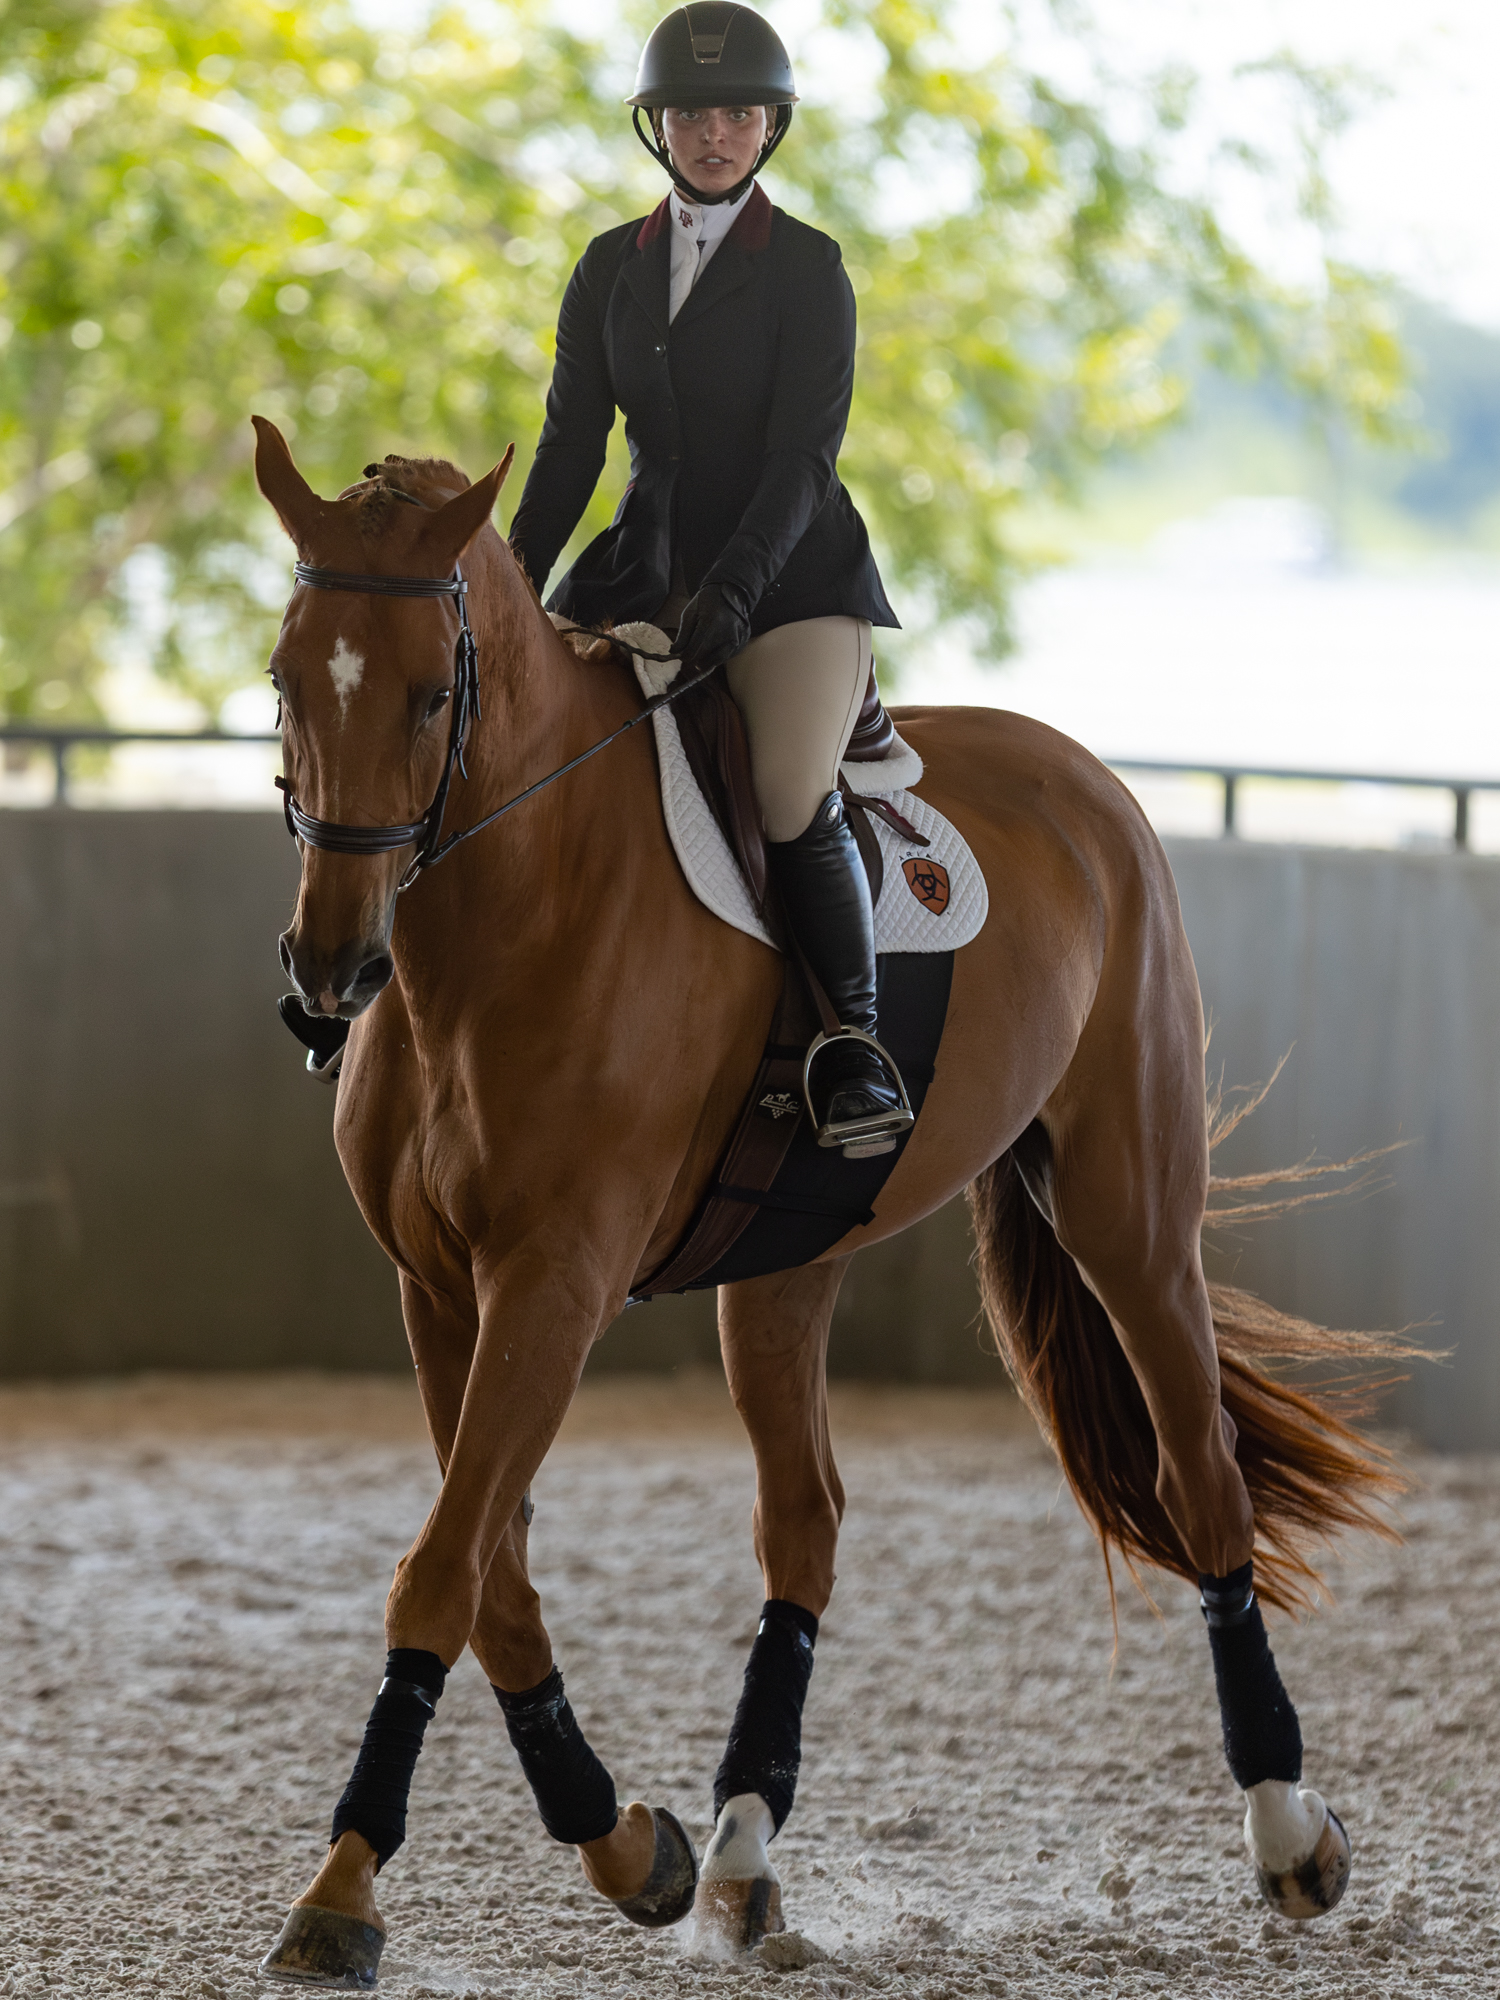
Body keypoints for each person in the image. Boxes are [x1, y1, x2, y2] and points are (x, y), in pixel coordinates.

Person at [508, 1, 911, 1151]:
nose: (715, 133)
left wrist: (734, 589)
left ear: (769, 128)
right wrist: (508, 579)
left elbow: (803, 461)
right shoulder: (605, 270)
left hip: (791, 579)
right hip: (643, 568)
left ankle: (857, 1047)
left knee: (786, 788)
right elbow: (572, 444)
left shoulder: (812, 272)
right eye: (692, 112)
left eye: (738, 113)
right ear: (659, 127)